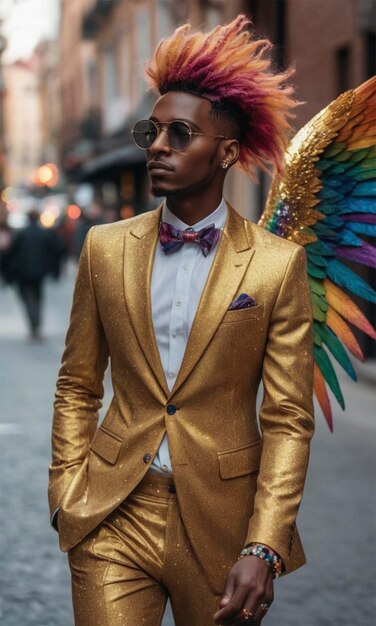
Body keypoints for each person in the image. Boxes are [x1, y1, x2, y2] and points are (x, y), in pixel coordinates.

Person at [49, 16, 314, 626]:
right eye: (153, 130)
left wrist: (264, 545)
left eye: (180, 133)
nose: (158, 146)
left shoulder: (277, 267)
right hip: (113, 514)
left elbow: (288, 418)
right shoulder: (104, 249)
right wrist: (67, 490)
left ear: (226, 152)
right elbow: (77, 383)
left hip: (224, 524)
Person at [8, 208, 62, 340]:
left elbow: (12, 254)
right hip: (39, 272)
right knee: (38, 297)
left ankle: (34, 326)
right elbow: (55, 250)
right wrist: (53, 270)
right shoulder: (44, 233)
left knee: (28, 299)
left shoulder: (21, 233)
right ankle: (36, 325)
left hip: (24, 273)